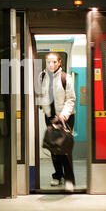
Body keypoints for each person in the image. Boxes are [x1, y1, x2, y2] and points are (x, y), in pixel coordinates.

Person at [38, 52, 76, 191]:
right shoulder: (42, 76)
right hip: (50, 117)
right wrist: (47, 112)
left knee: (64, 148)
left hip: (66, 117)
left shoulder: (65, 77)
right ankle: (57, 175)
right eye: (48, 62)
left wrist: (64, 115)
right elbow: (41, 95)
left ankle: (69, 180)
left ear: (59, 62)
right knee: (53, 147)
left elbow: (71, 98)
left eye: (54, 62)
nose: (51, 64)